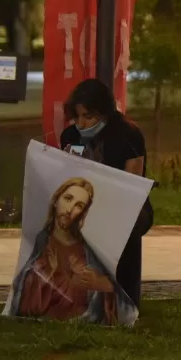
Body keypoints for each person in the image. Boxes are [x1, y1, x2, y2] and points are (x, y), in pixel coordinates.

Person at [60, 79, 152, 308]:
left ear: (105, 114)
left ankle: (124, 299)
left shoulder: (127, 134)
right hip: (83, 202)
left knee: (126, 222)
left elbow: (133, 184)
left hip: (125, 205)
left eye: (88, 117)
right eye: (77, 117)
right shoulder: (70, 136)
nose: (81, 123)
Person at [4, 176, 136, 324]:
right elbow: (25, 293)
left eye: (79, 205)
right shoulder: (42, 241)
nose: (70, 209)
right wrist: (47, 274)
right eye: (68, 199)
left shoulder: (86, 249)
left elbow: (113, 293)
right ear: (55, 200)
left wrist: (103, 284)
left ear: (83, 213)